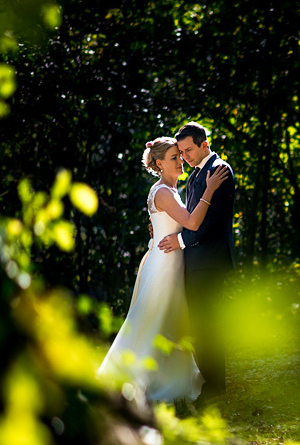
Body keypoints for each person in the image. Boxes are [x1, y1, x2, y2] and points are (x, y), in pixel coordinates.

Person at [98, 136, 229, 402]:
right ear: (159, 163)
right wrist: (210, 188)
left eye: (180, 155)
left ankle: (172, 377)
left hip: (172, 263)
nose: (180, 160)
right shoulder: (163, 192)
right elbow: (192, 223)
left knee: (171, 322)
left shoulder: (170, 192)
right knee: (154, 322)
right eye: (174, 157)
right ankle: (141, 381)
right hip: (164, 267)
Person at [158, 122, 236, 400]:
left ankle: (216, 387)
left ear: (205, 144)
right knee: (200, 325)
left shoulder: (220, 171)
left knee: (209, 325)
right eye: (181, 152)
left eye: (189, 150)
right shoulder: (197, 174)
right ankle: (209, 382)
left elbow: (212, 224)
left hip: (210, 261)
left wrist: (180, 241)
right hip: (196, 261)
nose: (185, 157)